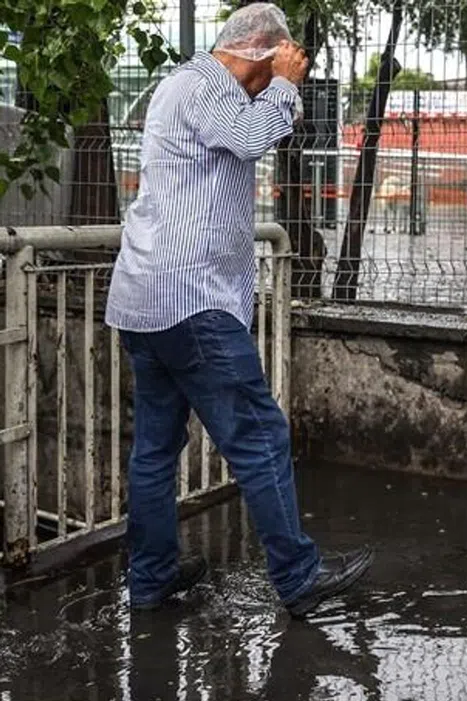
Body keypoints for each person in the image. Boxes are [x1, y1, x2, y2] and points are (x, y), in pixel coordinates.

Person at [104, 3, 373, 618]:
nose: (263, 88)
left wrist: (276, 87)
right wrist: (282, 81)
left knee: (154, 447)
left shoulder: (190, 90)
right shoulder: (204, 85)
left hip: (148, 301)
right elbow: (255, 133)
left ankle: (150, 578)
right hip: (191, 299)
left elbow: (254, 128)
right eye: (263, 71)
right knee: (260, 437)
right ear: (254, 50)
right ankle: (298, 577)